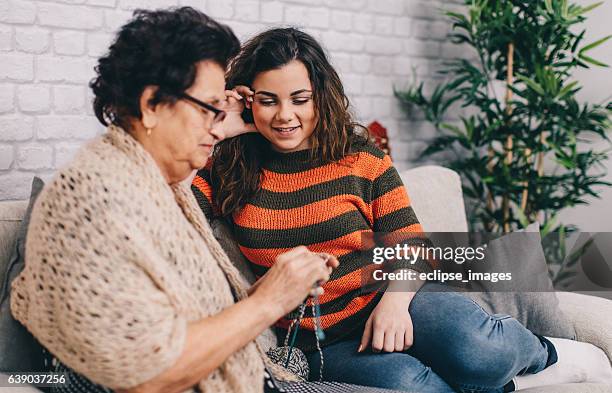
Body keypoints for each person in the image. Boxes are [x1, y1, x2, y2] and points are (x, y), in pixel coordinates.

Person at [7, 8, 409, 393]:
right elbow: (147, 373)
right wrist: (270, 300)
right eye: (210, 108)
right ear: (151, 106)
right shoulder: (100, 200)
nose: (223, 120)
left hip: (268, 364)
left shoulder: (146, 181)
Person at [191, 28, 561, 393]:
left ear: (321, 97)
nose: (285, 115)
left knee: (482, 351)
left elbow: (412, 246)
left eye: (300, 99)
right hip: (322, 343)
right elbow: (173, 205)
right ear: (248, 100)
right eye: (268, 100)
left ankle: (550, 354)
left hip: (398, 296)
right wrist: (222, 130)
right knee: (414, 387)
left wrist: (395, 304)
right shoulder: (228, 168)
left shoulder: (360, 158)